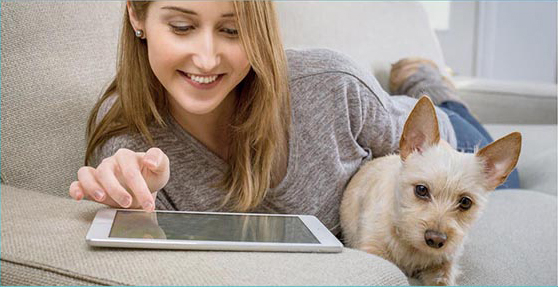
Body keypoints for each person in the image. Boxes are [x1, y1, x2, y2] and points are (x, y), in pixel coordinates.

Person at [68, 1, 519, 236]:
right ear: (137, 15)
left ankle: (428, 79)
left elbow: (419, 158)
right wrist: (132, 211)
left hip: (443, 140)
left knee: (456, 118)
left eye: (232, 29)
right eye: (182, 27)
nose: (205, 58)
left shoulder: (330, 82)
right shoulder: (127, 152)